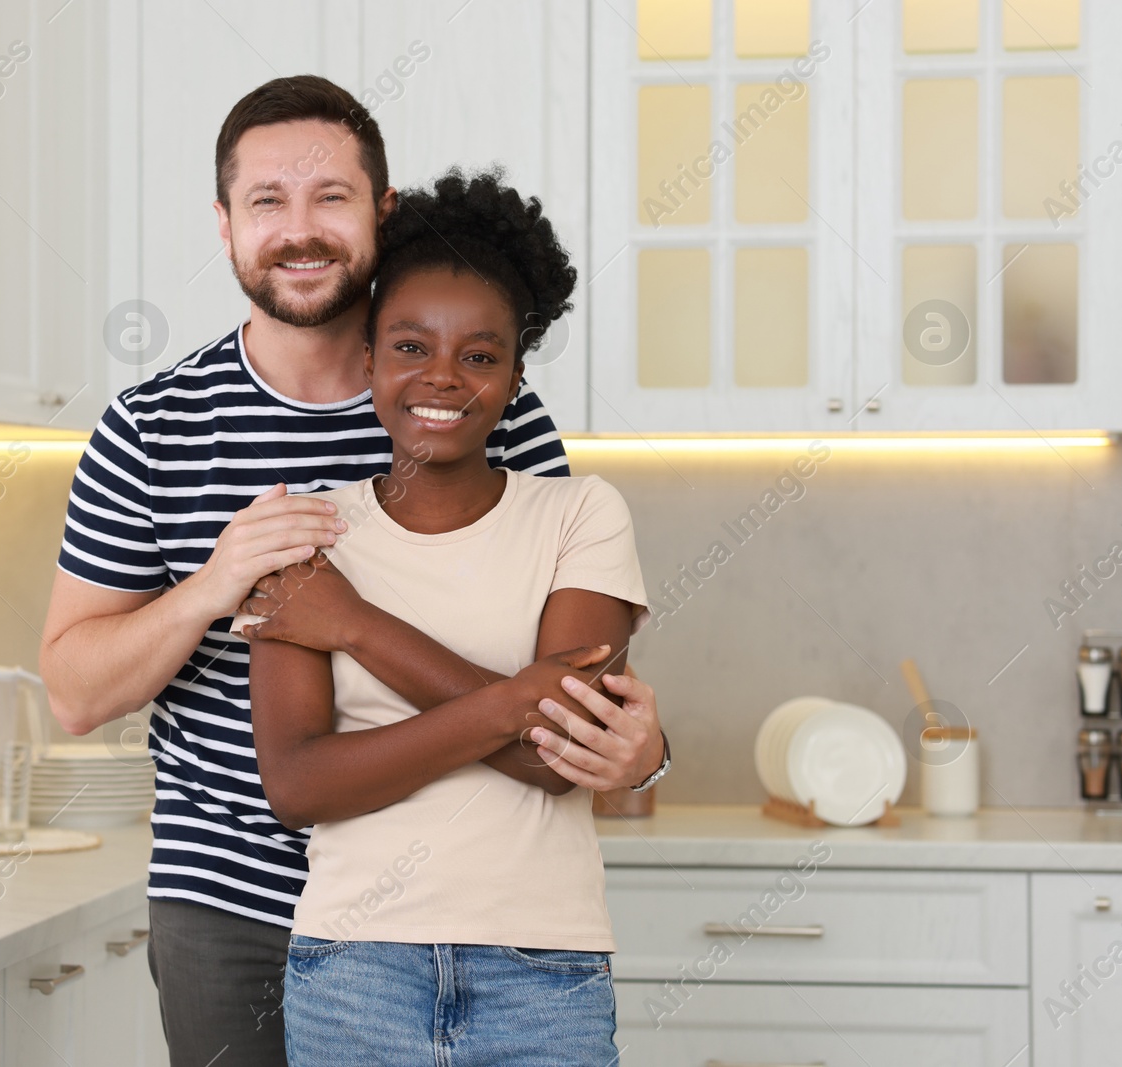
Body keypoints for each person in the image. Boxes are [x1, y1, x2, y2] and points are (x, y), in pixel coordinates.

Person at [39, 76, 667, 1067]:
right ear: (225, 223)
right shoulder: (150, 428)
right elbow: (74, 694)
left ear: (380, 210)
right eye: (266, 202)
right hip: (227, 899)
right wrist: (216, 583)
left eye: (329, 196)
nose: (299, 229)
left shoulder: (486, 416)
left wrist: (639, 750)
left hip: (474, 903)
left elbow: (561, 679)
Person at [242, 168, 649, 1065]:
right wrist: (518, 702)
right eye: (411, 346)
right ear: (369, 361)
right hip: (354, 973)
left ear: (512, 374)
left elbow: (562, 760)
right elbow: (298, 785)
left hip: (543, 975)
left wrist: (356, 627)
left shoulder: (580, 515)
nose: (443, 378)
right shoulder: (301, 538)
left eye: (479, 354)